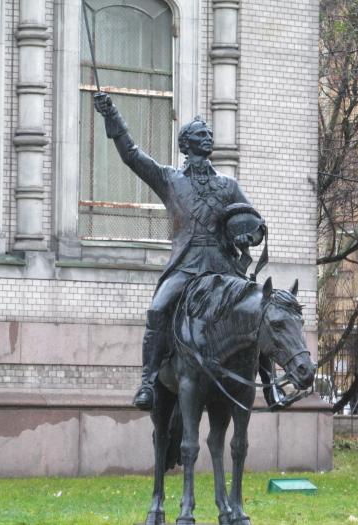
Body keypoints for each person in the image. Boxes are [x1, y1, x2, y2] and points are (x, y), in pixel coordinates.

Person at [94, 93, 265, 410]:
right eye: (201, 134)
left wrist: (252, 235)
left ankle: (270, 386)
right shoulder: (169, 179)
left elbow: (251, 220)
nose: (208, 137)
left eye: (209, 134)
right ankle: (148, 381)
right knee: (158, 309)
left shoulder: (228, 185)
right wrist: (111, 116)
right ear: (185, 144)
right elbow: (131, 155)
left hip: (222, 267)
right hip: (186, 266)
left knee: (259, 308)